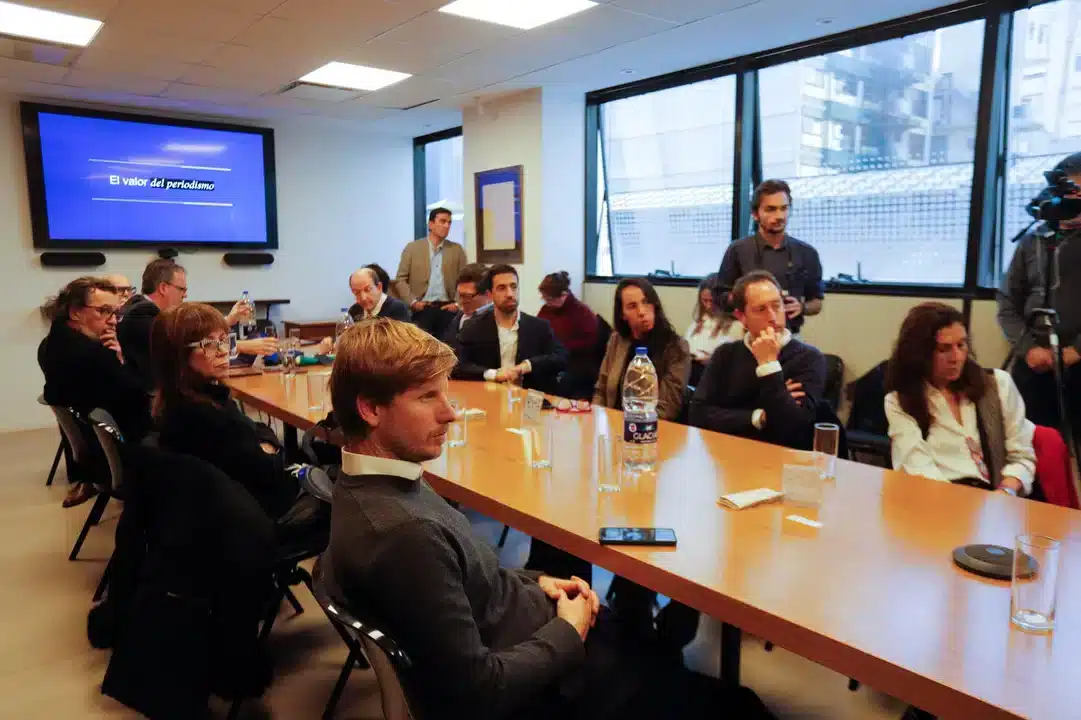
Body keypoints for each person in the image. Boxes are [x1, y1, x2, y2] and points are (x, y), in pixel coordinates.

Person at [320, 319, 755, 720]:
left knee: (652, 653)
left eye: (445, 394)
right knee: (740, 707)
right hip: (557, 683)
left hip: (540, 632)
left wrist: (539, 582)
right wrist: (569, 629)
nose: (450, 412)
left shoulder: (378, 482)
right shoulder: (403, 535)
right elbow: (479, 691)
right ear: (371, 410)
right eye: (427, 397)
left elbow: (469, 575)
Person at [151, 303, 329, 539]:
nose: (224, 351)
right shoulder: (204, 417)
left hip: (222, 510)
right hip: (250, 520)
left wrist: (264, 441)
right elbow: (271, 472)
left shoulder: (183, 399)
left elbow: (257, 431)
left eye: (224, 340)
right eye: (209, 345)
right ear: (177, 355)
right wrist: (269, 446)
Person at [886, 302, 1035, 496]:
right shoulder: (900, 400)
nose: (956, 357)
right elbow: (917, 469)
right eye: (944, 349)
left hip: (995, 496)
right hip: (936, 499)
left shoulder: (997, 384)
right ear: (919, 354)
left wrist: (1006, 491)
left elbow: (1022, 457)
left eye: (961, 345)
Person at [38, 277, 151, 507]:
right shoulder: (93, 356)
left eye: (115, 313)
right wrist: (120, 360)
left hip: (95, 456)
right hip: (127, 454)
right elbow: (139, 400)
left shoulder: (50, 345)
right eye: (104, 311)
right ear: (76, 312)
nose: (112, 321)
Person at [997, 151, 1081, 445]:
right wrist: (1029, 349)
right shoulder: (1033, 241)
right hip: (1033, 364)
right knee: (1028, 449)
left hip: (1077, 362)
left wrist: (1077, 351)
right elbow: (1007, 303)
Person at [690, 270, 826, 449]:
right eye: (761, 309)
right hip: (730, 455)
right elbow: (698, 414)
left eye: (777, 306)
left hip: (783, 461)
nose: (772, 317)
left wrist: (769, 365)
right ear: (742, 317)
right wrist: (759, 417)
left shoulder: (808, 358)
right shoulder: (726, 354)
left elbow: (794, 428)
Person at [118, 259, 266, 390]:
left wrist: (228, 320)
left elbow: (188, 336)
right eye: (182, 289)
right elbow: (181, 344)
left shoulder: (140, 307)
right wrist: (241, 346)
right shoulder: (143, 313)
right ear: (163, 288)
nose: (185, 295)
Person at [717, 179, 824, 336]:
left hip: (790, 336)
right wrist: (746, 299)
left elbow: (817, 302)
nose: (779, 216)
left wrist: (802, 307)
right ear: (755, 214)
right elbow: (720, 297)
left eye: (784, 208)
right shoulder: (738, 250)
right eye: (770, 209)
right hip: (747, 335)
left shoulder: (807, 253)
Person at [453, 265, 568, 395]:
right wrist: (493, 374)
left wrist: (527, 365)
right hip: (488, 399)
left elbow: (561, 357)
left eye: (513, 287)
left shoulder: (538, 326)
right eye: (502, 288)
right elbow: (457, 365)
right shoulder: (473, 328)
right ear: (490, 294)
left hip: (528, 401)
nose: (509, 294)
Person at [593, 278, 690, 421]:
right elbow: (601, 390)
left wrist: (629, 428)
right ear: (623, 315)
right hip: (613, 424)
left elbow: (667, 409)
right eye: (632, 306)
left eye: (646, 302)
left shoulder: (676, 347)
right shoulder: (617, 340)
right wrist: (596, 419)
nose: (642, 311)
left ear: (655, 304)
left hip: (652, 428)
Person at [394, 207, 468, 339]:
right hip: (422, 308)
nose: (447, 226)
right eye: (443, 221)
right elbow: (400, 279)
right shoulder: (413, 248)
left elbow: (465, 280)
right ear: (431, 224)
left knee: (449, 349)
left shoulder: (456, 250)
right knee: (422, 350)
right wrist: (412, 302)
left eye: (449, 222)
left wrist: (457, 304)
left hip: (448, 308)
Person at [538, 271, 602, 400]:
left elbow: (590, 343)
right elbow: (538, 330)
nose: (546, 302)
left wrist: (559, 346)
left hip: (576, 367)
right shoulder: (547, 310)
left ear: (564, 295)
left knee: (560, 381)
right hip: (554, 362)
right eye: (544, 298)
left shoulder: (582, 313)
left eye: (549, 299)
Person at [685, 274, 743, 387]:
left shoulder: (736, 326)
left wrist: (710, 360)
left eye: (712, 301)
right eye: (704, 301)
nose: (708, 306)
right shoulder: (697, 324)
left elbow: (735, 364)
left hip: (716, 379)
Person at [443, 263, 492, 346]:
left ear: (487, 294)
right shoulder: (458, 318)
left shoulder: (496, 323)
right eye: (460, 296)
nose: (461, 302)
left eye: (467, 296)